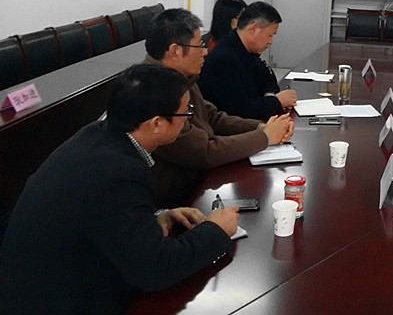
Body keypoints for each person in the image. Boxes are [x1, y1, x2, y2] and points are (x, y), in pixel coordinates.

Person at [0, 64, 240, 314]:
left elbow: (105, 215)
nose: (188, 119)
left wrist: (155, 216)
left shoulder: (98, 134)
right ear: (157, 123)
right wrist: (216, 230)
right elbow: (155, 270)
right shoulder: (119, 171)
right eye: (185, 112)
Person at [144, 8, 293, 207]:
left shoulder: (180, 77)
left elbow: (213, 116)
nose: (205, 51)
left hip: (196, 181)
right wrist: (265, 137)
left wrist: (261, 127)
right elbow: (204, 152)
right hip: (175, 199)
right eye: (200, 46)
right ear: (175, 51)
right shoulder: (154, 91)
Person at [199, 1, 297, 120]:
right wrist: (276, 102)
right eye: (270, 35)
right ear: (253, 29)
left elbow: (267, 77)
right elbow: (239, 110)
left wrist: (271, 96)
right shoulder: (223, 59)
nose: (270, 41)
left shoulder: (245, 49)